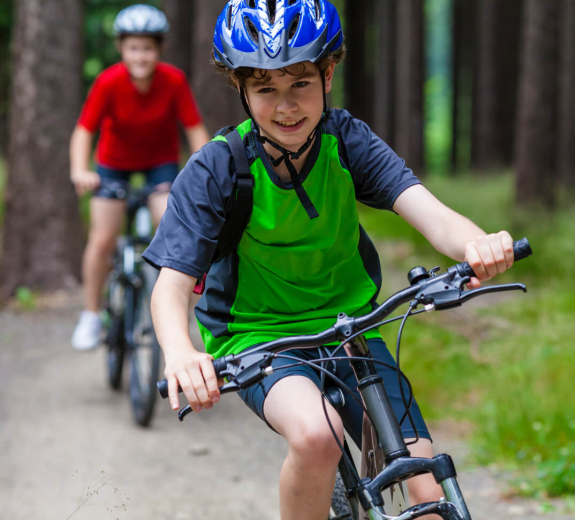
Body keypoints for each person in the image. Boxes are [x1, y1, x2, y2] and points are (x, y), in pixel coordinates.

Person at [143, 1, 515, 518]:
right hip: (259, 339)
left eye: (300, 83)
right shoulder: (219, 167)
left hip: (354, 327)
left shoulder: (347, 140)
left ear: (328, 74)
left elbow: (430, 213)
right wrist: (181, 353)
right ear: (241, 90)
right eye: (265, 88)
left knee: (429, 493)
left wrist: (478, 243)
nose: (286, 106)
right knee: (318, 436)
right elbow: (171, 285)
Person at [70, 4, 210, 351]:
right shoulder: (108, 82)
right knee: (102, 239)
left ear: (159, 50)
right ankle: (90, 314)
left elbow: (195, 130)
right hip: (113, 164)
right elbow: (84, 131)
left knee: (172, 228)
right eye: (133, 48)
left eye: (147, 48)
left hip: (159, 164)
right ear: (122, 48)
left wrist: (206, 171)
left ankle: (175, 312)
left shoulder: (173, 81)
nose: (140, 56)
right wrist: (80, 170)